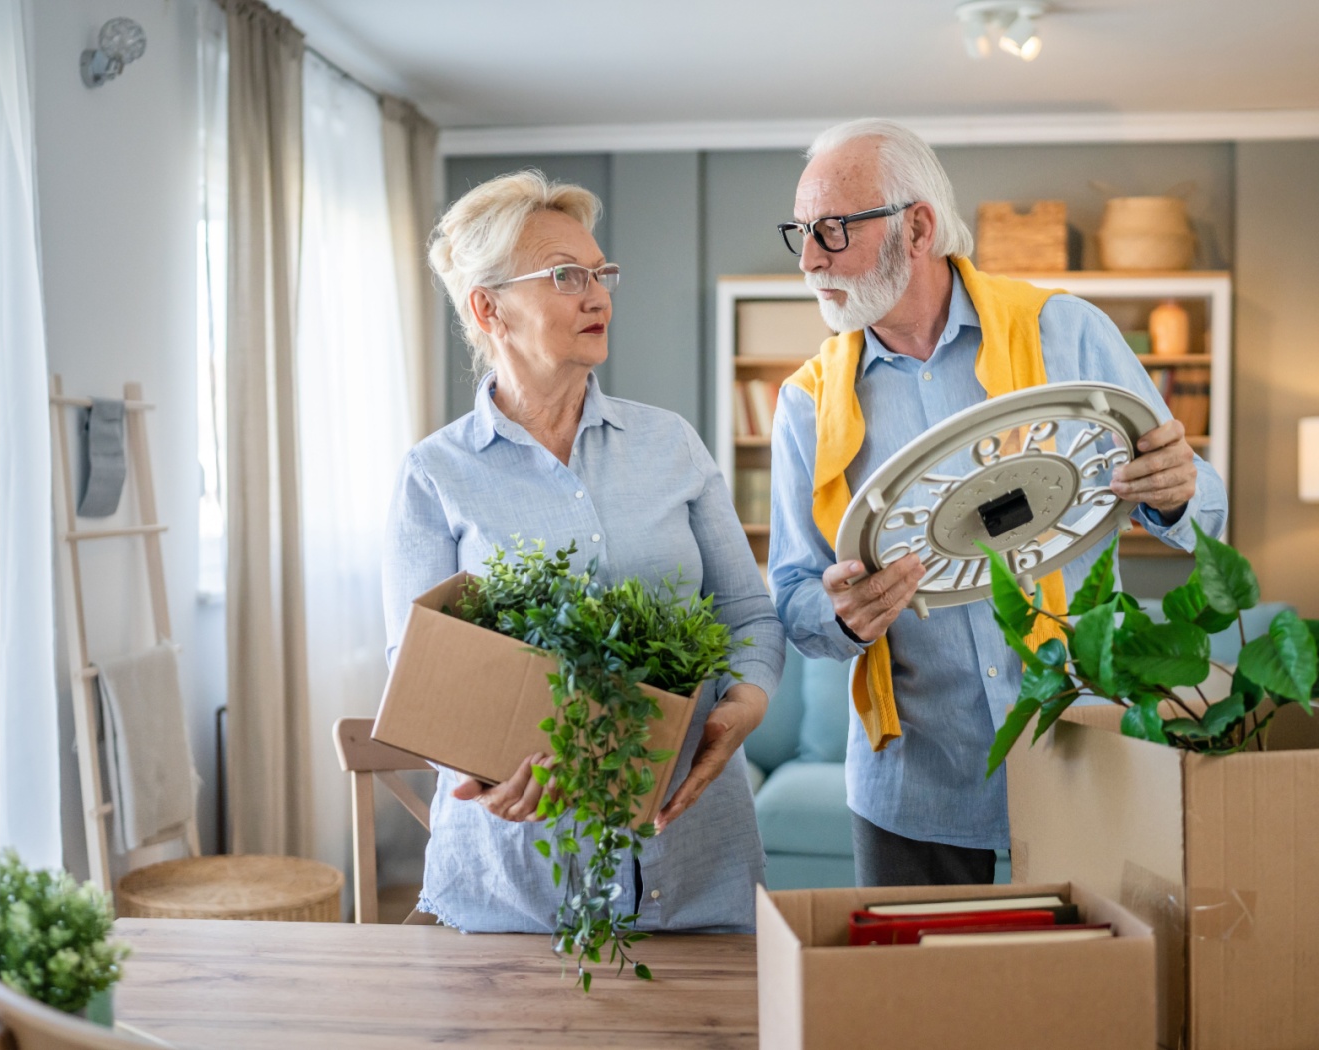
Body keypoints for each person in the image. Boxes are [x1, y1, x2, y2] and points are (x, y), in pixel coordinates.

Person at [767, 119, 1228, 887]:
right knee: (923, 1007)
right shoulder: (805, 405)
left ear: (917, 227)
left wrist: (1178, 492)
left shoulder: (1067, 333)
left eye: (833, 230)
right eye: (802, 233)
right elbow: (790, 594)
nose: (810, 259)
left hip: (1087, 750)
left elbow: (1201, 512)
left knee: (1094, 1000)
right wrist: (839, 614)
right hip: (911, 787)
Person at [384, 170, 786, 933]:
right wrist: (477, 768)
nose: (599, 295)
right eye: (567, 276)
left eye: (602, 274)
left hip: (697, 862)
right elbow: (417, 669)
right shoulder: (435, 475)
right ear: (488, 308)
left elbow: (747, 615)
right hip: (517, 890)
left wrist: (743, 706)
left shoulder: (671, 444)